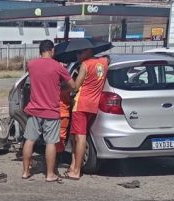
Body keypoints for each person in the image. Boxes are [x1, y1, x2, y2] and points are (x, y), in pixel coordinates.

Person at [21, 40, 72, 183]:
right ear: (52, 50)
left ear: (40, 50)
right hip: (51, 111)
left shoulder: (31, 64)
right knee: (51, 143)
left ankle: (25, 172)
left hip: (35, 109)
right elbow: (73, 85)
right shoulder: (58, 67)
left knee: (29, 140)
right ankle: (50, 174)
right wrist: (61, 82)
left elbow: (31, 73)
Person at [65, 48, 109, 180]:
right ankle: (73, 165)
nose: (78, 55)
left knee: (79, 137)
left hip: (81, 104)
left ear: (88, 51)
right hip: (93, 104)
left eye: (80, 52)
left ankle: (76, 170)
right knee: (75, 136)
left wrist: (68, 80)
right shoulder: (103, 62)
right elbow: (108, 59)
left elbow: (76, 86)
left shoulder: (85, 65)